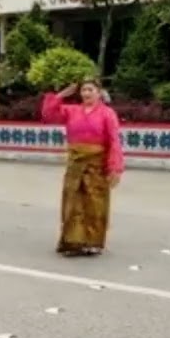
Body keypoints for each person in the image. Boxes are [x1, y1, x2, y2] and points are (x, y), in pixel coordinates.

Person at [41, 79, 125, 256]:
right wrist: (61, 95)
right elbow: (48, 116)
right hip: (75, 165)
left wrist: (115, 167)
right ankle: (73, 241)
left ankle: (93, 242)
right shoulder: (72, 111)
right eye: (83, 90)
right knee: (73, 203)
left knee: (95, 204)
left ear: (98, 92)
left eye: (90, 90)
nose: (86, 93)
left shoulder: (107, 113)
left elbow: (114, 140)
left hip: (97, 165)